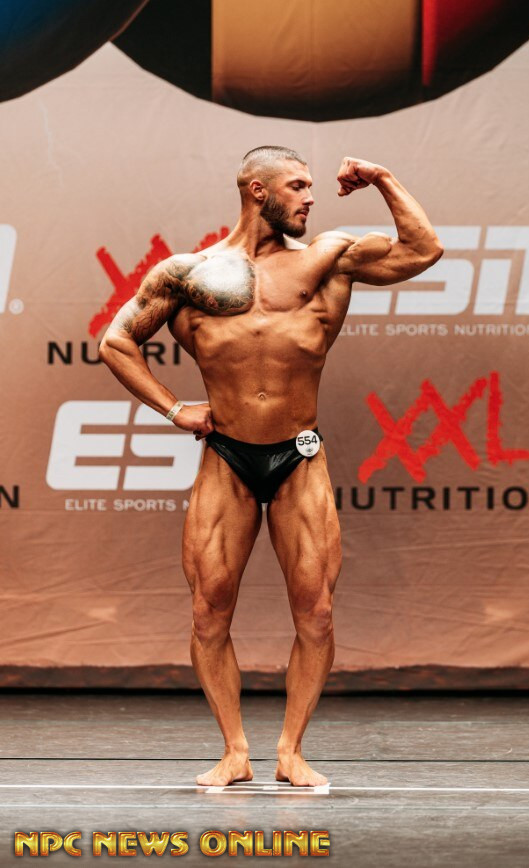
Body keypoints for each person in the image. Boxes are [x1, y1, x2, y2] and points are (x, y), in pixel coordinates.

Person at [99, 146, 443, 787]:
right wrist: (174, 408)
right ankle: (235, 752)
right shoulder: (186, 274)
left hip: (299, 458)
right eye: (298, 186)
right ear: (258, 191)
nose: (311, 197)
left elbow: (423, 250)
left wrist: (382, 178)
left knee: (317, 612)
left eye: (311, 186)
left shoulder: (329, 258)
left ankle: (290, 751)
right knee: (208, 611)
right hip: (226, 457)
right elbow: (115, 341)